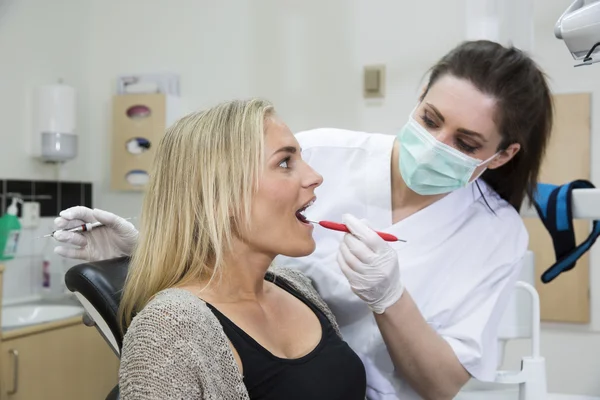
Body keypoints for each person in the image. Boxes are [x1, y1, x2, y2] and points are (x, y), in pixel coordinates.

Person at [54, 40, 553, 400]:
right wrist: (151, 252)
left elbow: (443, 383)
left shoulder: (299, 288)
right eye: (429, 119)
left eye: (466, 144)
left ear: (503, 155)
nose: (315, 178)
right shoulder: (174, 328)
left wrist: (390, 299)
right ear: (419, 96)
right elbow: (222, 237)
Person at [115, 98, 367, 399]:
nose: (315, 177)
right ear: (222, 197)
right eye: (285, 162)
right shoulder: (167, 329)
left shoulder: (297, 287)